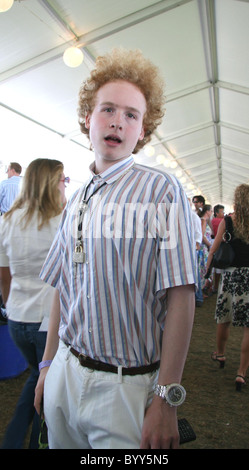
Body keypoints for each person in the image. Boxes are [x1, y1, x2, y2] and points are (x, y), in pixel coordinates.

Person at [34, 48, 196, 450]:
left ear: (143, 130)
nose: (117, 122)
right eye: (108, 109)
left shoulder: (161, 190)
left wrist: (166, 399)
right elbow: (62, 287)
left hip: (125, 387)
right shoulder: (76, 197)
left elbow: (182, 296)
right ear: (88, 118)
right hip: (66, 373)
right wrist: (48, 366)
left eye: (131, 115)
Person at [0, 158, 67, 449]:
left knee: (37, 378)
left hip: (17, 317)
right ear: (52, 182)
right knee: (47, 390)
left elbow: (4, 276)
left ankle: (14, 439)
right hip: (47, 323)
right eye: (63, 179)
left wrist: (10, 306)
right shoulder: (61, 220)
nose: (66, 185)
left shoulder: (7, 220)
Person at [206, 184, 249, 391]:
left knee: (224, 318)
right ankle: (241, 372)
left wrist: (207, 271)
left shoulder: (228, 220)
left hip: (231, 275)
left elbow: (214, 248)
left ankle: (221, 353)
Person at [198, 204, 213, 295]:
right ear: (207, 211)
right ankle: (202, 290)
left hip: (205, 248)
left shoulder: (205, 221)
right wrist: (209, 245)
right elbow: (202, 236)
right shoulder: (203, 221)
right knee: (204, 269)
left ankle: (204, 289)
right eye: (211, 211)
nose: (211, 212)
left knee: (205, 268)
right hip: (204, 248)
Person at [211, 204, 225, 292]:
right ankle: (218, 286)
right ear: (216, 213)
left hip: (214, 243)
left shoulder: (212, 220)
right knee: (220, 267)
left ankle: (215, 286)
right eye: (222, 212)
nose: (223, 213)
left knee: (215, 267)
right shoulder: (222, 221)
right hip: (221, 245)